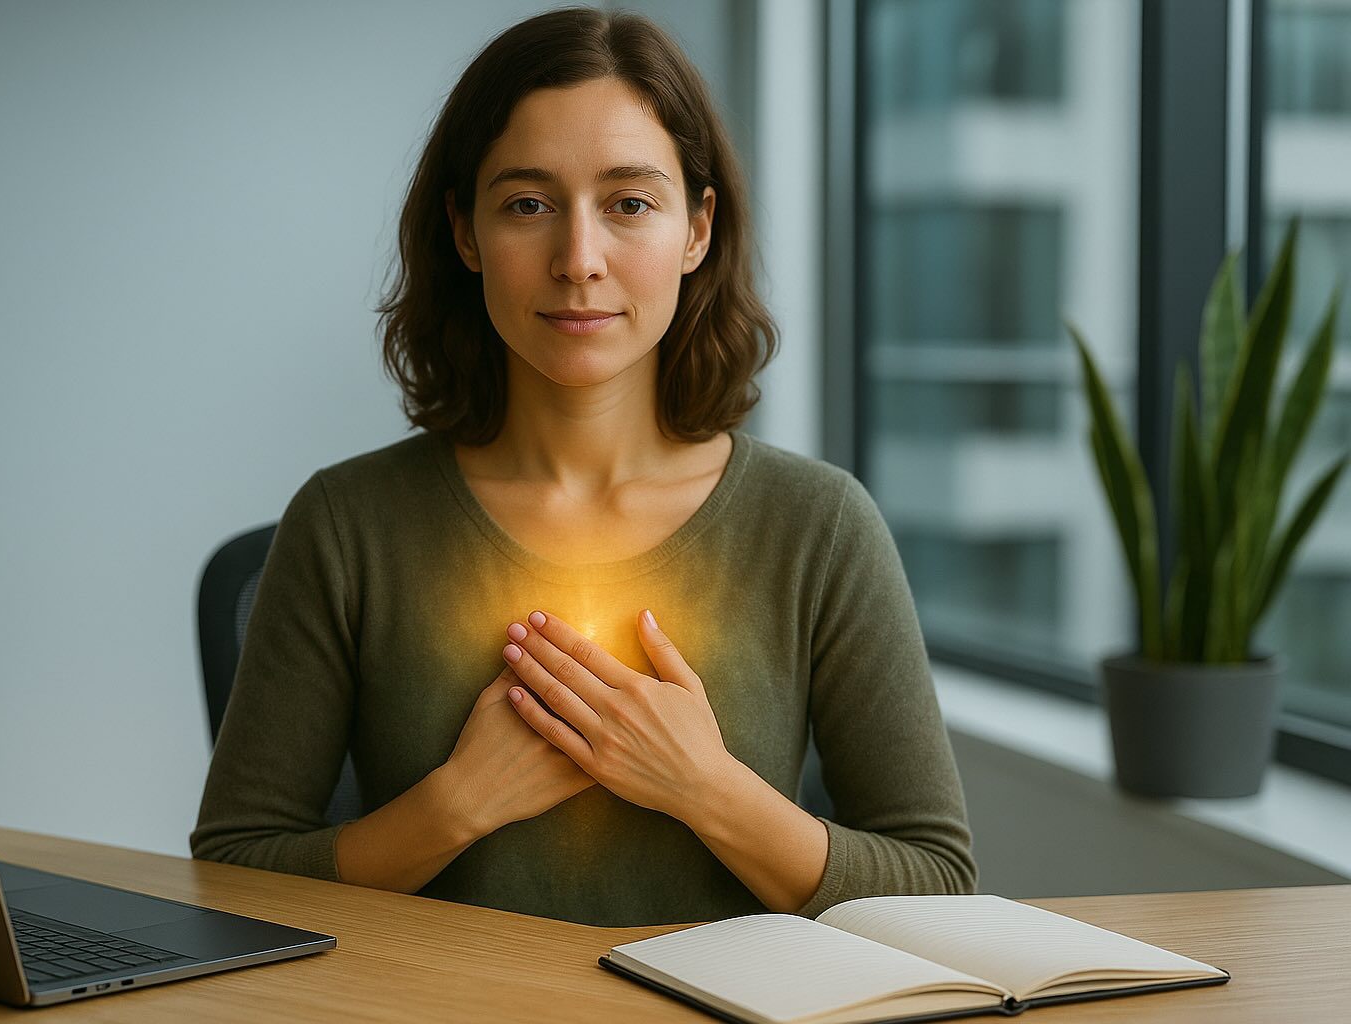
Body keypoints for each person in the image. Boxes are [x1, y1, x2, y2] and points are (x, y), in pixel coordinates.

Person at [191, 6, 975, 928]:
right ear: (465, 232)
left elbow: (938, 885)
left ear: (697, 229)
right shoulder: (346, 522)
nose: (578, 260)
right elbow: (231, 871)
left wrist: (701, 786)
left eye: (629, 203)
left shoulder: (822, 525)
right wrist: (459, 803)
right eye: (527, 204)